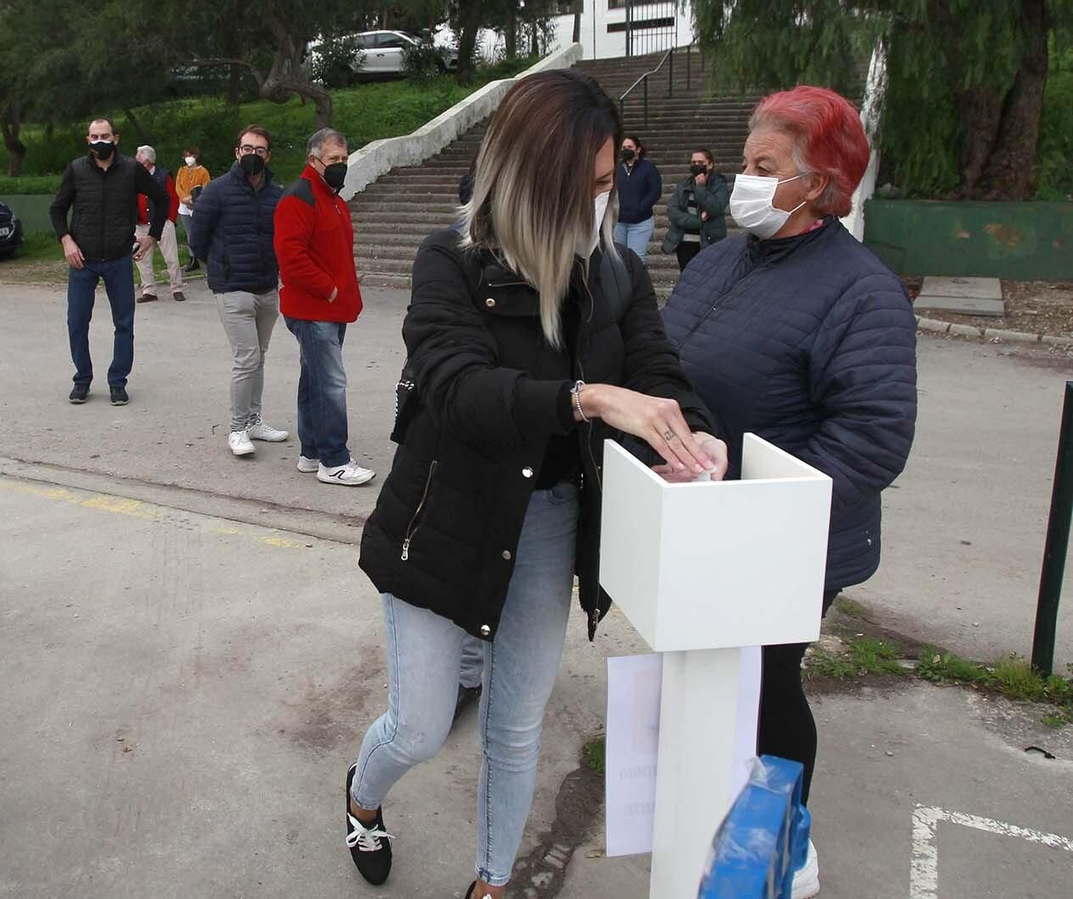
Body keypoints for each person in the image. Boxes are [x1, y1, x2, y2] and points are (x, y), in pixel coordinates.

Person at [346, 69, 724, 899]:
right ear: (530, 178)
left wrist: (695, 434)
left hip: (552, 518)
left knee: (514, 728)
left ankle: (490, 881)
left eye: (608, 182)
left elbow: (659, 368)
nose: (605, 200)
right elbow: (454, 386)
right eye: (588, 186)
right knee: (417, 724)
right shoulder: (449, 259)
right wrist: (582, 397)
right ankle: (362, 796)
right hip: (445, 511)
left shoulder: (615, 270)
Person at [662, 85, 918, 899]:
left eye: (762, 167)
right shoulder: (725, 259)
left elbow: (872, 438)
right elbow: (672, 357)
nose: (743, 180)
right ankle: (713, 800)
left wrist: (752, 494)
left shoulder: (862, 291)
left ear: (818, 186)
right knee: (716, 676)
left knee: (768, 681)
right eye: (744, 162)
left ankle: (785, 834)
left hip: (792, 538)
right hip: (710, 517)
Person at [274, 128, 373, 486]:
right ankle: (334, 460)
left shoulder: (331, 198)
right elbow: (290, 258)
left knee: (313, 379)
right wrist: (329, 289)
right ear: (313, 160)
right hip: (313, 309)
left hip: (330, 307)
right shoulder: (299, 198)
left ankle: (312, 451)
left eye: (344, 159)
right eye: (334, 160)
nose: (341, 166)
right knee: (330, 383)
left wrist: (342, 293)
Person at [49, 118, 168, 405]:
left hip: (118, 259)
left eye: (105, 135)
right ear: (87, 140)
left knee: (124, 323)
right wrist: (66, 240)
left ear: (115, 138)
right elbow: (57, 209)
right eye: (94, 136)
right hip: (83, 261)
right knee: (77, 321)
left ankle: (118, 381)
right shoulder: (76, 169)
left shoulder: (131, 169)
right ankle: (82, 379)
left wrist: (152, 235)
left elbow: (162, 198)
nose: (99, 140)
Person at [189, 125, 291, 457]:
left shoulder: (277, 194)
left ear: (268, 155)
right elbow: (197, 241)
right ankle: (237, 429)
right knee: (246, 358)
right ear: (237, 152)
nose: (253, 155)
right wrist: (221, 270)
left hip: (266, 288)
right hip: (232, 289)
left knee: (259, 358)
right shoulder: (217, 192)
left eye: (259, 150)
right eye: (247, 149)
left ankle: (254, 421)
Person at [662, 148, 729, 271]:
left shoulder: (719, 185)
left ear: (710, 164)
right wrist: (699, 221)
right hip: (685, 242)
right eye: (693, 163)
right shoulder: (683, 186)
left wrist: (701, 187)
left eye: (700, 162)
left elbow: (715, 208)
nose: (696, 165)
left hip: (709, 241)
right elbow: (673, 212)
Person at [133, 145, 185, 303]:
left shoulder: (163, 176)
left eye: (138, 159)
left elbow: (172, 199)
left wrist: (170, 219)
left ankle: (177, 288)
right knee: (141, 259)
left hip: (162, 223)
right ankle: (149, 290)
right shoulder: (133, 176)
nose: (135, 161)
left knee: (171, 258)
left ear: (146, 162)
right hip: (140, 224)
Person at [611, 135, 660, 257]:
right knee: (619, 258)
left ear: (638, 149)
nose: (626, 149)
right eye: (624, 147)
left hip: (640, 222)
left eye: (629, 147)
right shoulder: (616, 168)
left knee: (636, 258)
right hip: (620, 222)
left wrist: (641, 207)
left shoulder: (648, 168)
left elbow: (655, 190)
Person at [176, 147, 211, 272]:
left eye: (189, 155)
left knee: (201, 230)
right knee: (189, 232)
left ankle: (206, 256)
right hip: (184, 205)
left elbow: (206, 188)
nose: (187, 158)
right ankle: (193, 258)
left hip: (197, 204)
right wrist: (185, 198)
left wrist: (193, 199)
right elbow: (178, 186)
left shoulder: (203, 172)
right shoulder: (182, 171)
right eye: (185, 156)